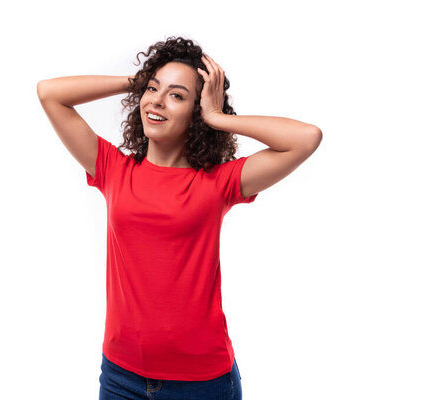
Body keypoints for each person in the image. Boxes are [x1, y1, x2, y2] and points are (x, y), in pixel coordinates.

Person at [37, 36, 322, 400]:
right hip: (121, 375)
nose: (156, 100)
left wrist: (217, 117)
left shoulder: (219, 183)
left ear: (196, 113)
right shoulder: (113, 168)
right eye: (153, 89)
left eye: (176, 95)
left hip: (201, 383)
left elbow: (306, 138)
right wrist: (138, 81)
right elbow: (50, 93)